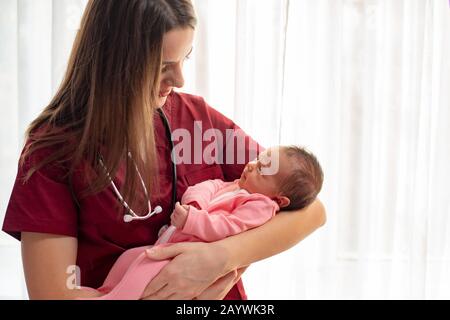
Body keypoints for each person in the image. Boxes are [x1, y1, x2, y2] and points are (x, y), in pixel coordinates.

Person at [2, 0, 326, 300]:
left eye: (185, 58)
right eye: (161, 66)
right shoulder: (53, 151)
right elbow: (54, 294)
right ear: (113, 61)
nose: (181, 79)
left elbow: (310, 211)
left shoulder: (197, 121)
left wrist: (219, 258)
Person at [80, 146, 323, 299]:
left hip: (182, 258)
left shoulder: (260, 207)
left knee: (141, 273)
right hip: (168, 245)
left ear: (280, 199)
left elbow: (227, 227)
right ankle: (107, 289)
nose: (251, 165)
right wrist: (195, 204)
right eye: (258, 159)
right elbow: (207, 186)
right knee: (130, 258)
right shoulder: (236, 186)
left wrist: (194, 220)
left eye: (262, 170)